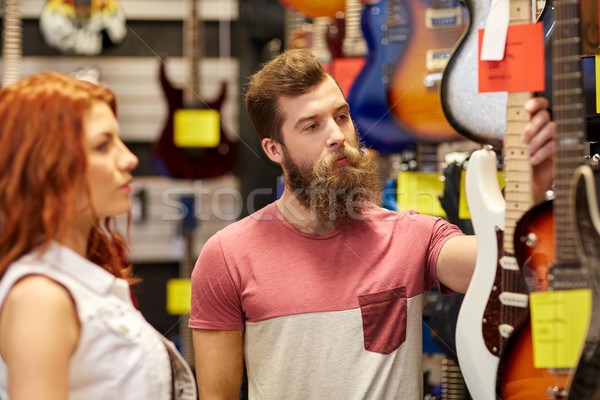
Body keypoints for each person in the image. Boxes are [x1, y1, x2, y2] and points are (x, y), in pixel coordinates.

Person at [189, 49, 555, 399]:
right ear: (274, 150)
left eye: (342, 116)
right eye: (312, 126)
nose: (336, 135)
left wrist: (532, 189)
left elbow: (499, 261)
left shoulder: (413, 236)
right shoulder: (226, 257)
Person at [0, 72, 197, 399]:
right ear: (46, 164)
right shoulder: (39, 297)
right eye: (103, 145)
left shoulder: (75, 280)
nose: (130, 158)